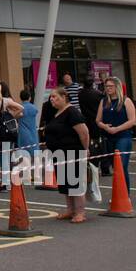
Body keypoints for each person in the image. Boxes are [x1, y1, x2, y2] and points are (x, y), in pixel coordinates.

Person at [43, 86, 90, 223]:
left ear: (64, 97)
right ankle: (70, 209)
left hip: (72, 151)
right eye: (51, 97)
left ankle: (80, 212)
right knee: (65, 183)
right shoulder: (56, 112)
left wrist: (85, 149)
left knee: (75, 183)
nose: (52, 99)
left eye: (55, 97)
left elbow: (84, 132)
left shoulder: (72, 112)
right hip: (59, 153)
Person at [97, 77, 136, 184]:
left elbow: (132, 120)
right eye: (106, 86)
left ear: (117, 87)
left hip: (123, 136)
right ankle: (119, 195)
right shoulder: (104, 101)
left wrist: (117, 129)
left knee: (121, 166)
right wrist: (105, 127)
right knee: (115, 167)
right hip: (109, 137)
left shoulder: (125, 101)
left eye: (110, 86)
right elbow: (98, 120)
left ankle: (125, 195)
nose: (108, 88)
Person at [77, 78, 105, 173]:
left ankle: (90, 163)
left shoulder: (80, 94)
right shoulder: (98, 94)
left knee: (89, 142)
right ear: (92, 84)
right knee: (100, 143)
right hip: (97, 121)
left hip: (86, 120)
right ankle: (103, 166)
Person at [17, 87, 39, 155]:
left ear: (20, 98)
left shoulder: (19, 108)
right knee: (35, 153)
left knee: (24, 155)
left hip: (23, 133)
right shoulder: (34, 108)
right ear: (30, 97)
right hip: (33, 132)